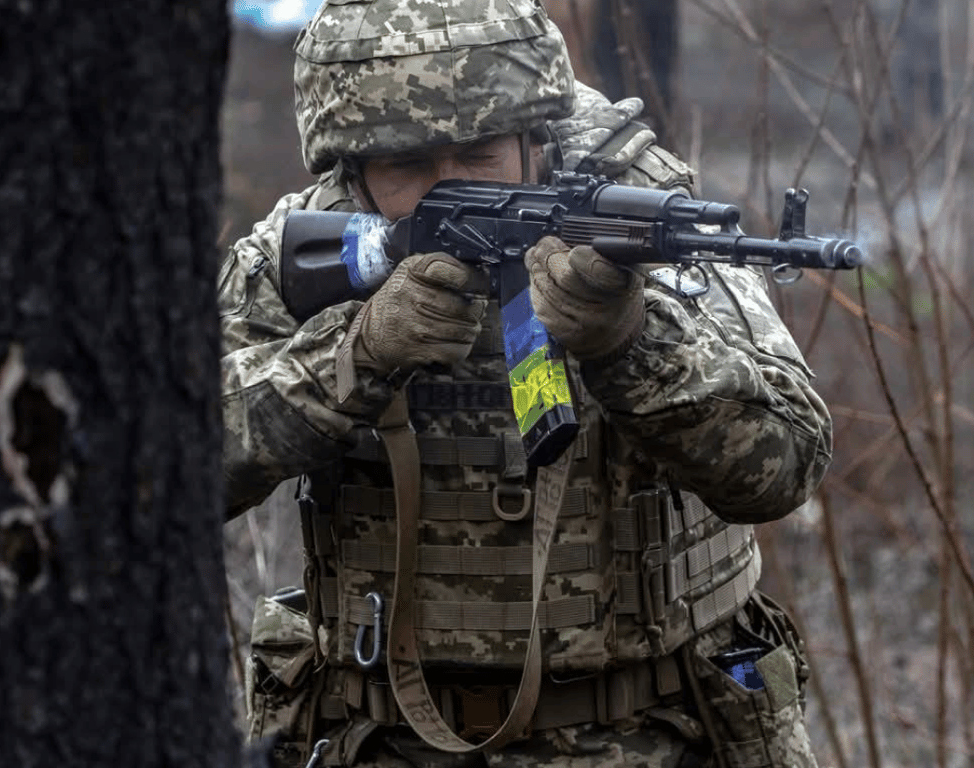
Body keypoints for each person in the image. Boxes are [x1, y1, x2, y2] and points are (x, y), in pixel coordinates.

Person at [218, 1, 832, 765]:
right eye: (409, 164)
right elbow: (167, 477)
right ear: (353, 165)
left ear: (532, 134)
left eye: (479, 155)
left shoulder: (631, 223)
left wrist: (630, 342)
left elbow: (785, 463)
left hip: (653, 730)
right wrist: (352, 358)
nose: (451, 190)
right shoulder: (306, 250)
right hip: (378, 736)